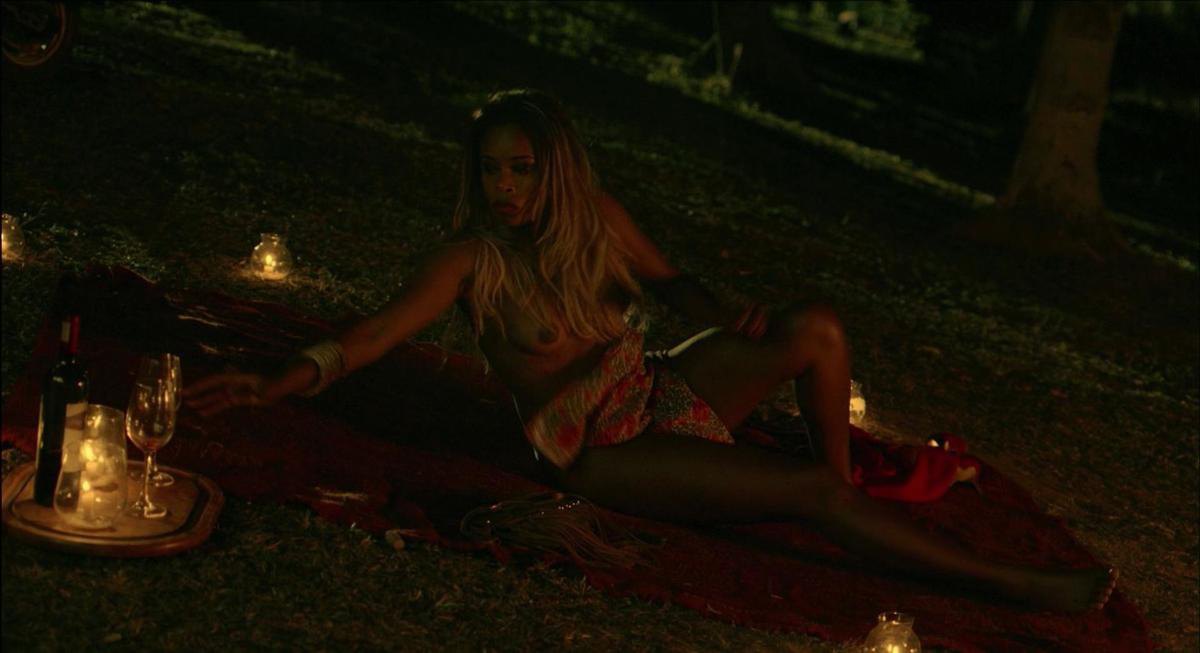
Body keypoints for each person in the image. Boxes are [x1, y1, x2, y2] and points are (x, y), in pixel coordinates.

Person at [183, 89, 1116, 613]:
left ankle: (836, 495)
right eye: (491, 170)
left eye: (521, 168)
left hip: (653, 388)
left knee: (817, 325)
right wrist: (279, 378)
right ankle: (1010, 585)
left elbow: (675, 287)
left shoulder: (596, 218)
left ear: (554, 166)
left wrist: (731, 316)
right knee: (803, 486)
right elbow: (373, 335)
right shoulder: (471, 260)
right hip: (599, 447)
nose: (505, 187)